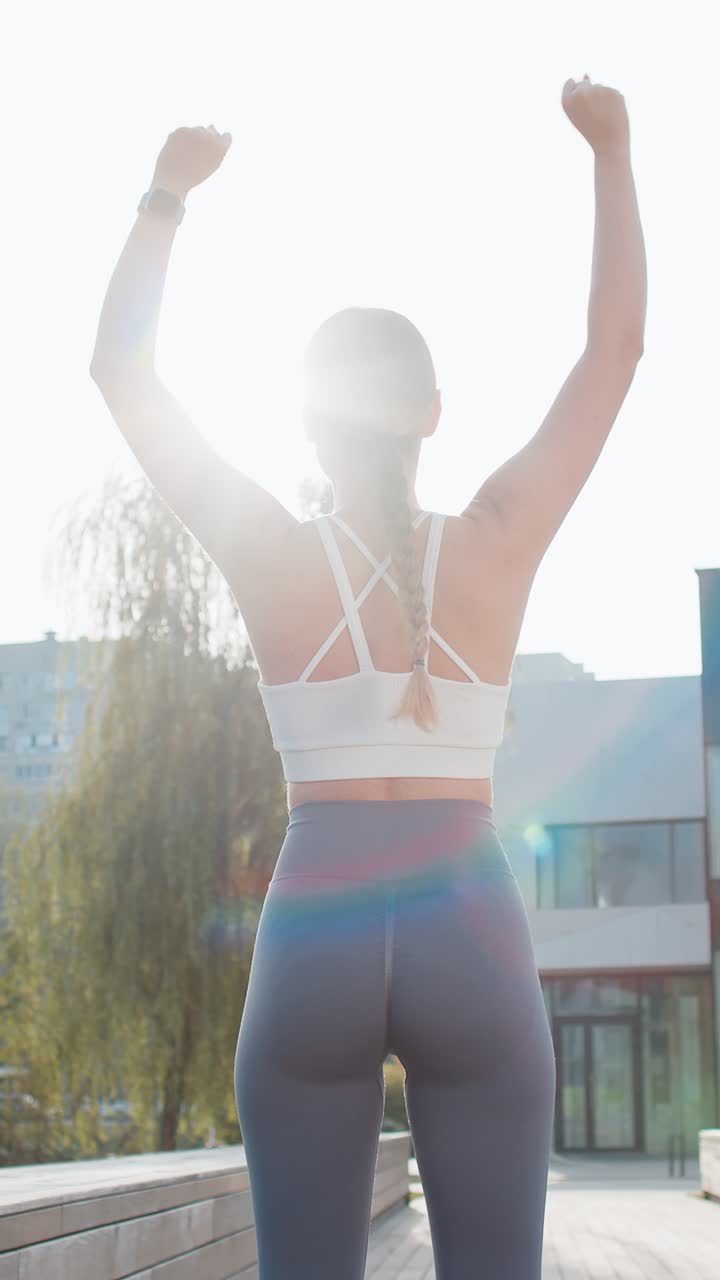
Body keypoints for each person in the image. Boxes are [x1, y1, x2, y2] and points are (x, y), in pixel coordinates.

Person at [90, 74, 646, 1280]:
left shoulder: (272, 553)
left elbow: (124, 379)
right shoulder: (499, 536)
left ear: (307, 430)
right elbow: (615, 349)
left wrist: (167, 197)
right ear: (435, 414)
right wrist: (611, 147)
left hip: (315, 932)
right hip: (472, 925)